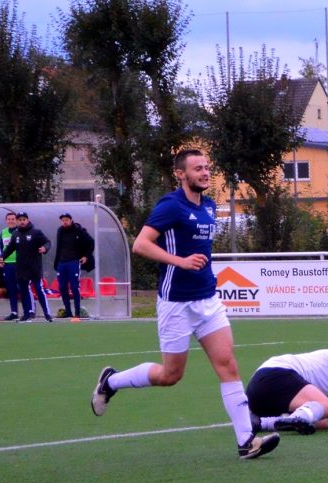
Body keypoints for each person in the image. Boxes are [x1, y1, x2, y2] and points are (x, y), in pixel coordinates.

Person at [89, 148, 280, 460]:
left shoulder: (209, 206)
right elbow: (141, 244)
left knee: (228, 364)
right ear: (180, 174)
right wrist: (180, 261)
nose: (205, 173)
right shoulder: (171, 205)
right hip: (176, 303)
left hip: (207, 300)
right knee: (170, 375)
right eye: (197, 168)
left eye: (207, 168)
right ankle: (111, 382)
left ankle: (246, 442)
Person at [0, 212, 54, 323]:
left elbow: (47, 242)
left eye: (24, 219)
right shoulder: (16, 234)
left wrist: (44, 248)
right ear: (17, 221)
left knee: (38, 289)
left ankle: (47, 314)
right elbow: (10, 248)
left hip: (34, 267)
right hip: (21, 267)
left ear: (28, 220)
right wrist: (1, 257)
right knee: (23, 290)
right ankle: (27, 314)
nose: (22, 222)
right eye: (20, 220)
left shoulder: (36, 232)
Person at [53, 213, 94, 321]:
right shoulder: (60, 231)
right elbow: (59, 247)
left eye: (66, 220)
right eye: (63, 220)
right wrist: (57, 262)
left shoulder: (79, 230)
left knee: (75, 287)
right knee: (62, 287)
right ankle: (68, 312)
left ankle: (77, 313)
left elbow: (91, 242)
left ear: (71, 220)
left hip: (74, 261)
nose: (65, 222)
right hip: (62, 262)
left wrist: (86, 256)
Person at [0, 212, 21, 321]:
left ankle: (30, 310)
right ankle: (14, 312)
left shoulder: (20, 231)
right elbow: (1, 248)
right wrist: (1, 259)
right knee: (11, 288)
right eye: (9, 219)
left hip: (19, 263)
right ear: (6, 220)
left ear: (16, 220)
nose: (11, 221)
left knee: (23, 287)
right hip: (8, 263)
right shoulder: (3, 232)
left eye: (13, 219)